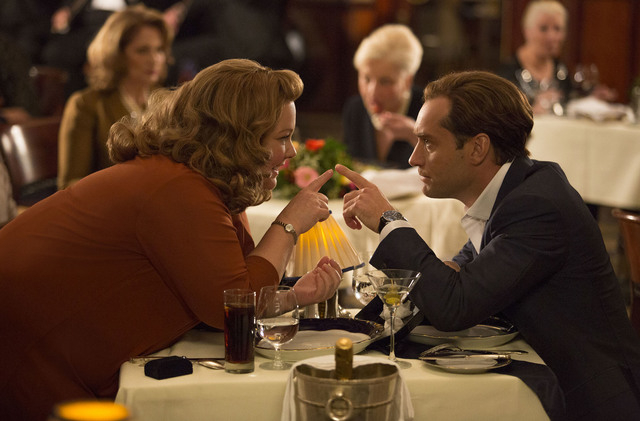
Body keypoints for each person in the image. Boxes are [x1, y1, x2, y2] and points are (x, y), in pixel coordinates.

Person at [0, 58, 342, 420]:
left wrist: (293, 296)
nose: (292, 152)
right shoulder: (178, 188)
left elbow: (228, 288)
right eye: (283, 138)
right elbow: (232, 306)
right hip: (27, 345)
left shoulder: (202, 180)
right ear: (240, 137)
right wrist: (288, 224)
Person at [336, 70, 640, 420]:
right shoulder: (515, 192)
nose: (414, 158)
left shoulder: (537, 206)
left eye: (429, 143)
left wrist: (390, 221)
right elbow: (454, 279)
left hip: (591, 401)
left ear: (478, 148)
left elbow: (454, 306)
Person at [57, 4, 173, 189]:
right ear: (116, 54)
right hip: (109, 203)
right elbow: (69, 184)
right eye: (142, 50)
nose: (154, 59)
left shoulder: (170, 103)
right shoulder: (85, 104)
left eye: (159, 49)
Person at [342, 24, 424, 169]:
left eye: (385, 81)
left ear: (407, 81)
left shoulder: (428, 109)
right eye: (366, 79)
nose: (372, 92)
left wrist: (416, 136)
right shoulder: (355, 109)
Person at [499, 0, 571, 115]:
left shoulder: (561, 71)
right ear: (526, 31)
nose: (552, 37)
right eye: (543, 28)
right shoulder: (507, 73)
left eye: (557, 29)